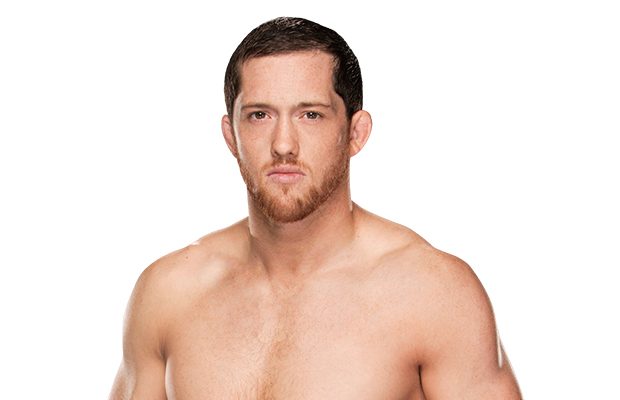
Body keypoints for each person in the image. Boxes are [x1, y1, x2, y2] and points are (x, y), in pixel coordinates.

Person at [109, 16, 521, 399]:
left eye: (310, 115)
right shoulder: (170, 294)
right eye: (259, 115)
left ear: (355, 133)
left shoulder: (434, 295)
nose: (283, 144)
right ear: (231, 135)